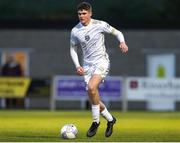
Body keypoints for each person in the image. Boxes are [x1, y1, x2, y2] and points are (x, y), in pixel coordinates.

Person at [70, 2, 128, 137]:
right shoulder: (75, 31)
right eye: (79, 13)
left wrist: (122, 42)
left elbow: (117, 32)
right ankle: (110, 119)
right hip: (87, 66)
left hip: (101, 62)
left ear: (90, 14)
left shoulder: (100, 24)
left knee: (91, 88)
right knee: (94, 98)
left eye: (84, 13)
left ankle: (95, 122)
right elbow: (72, 49)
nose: (81, 16)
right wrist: (77, 65)